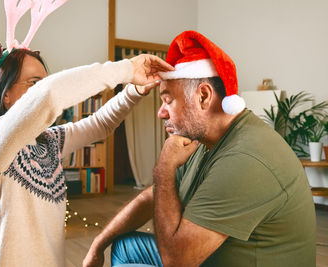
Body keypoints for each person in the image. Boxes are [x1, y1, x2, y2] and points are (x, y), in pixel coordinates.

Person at [83, 31, 316, 267]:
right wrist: (98, 244)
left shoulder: (246, 159)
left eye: (168, 100)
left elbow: (176, 261)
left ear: (203, 96)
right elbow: (152, 197)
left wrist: (164, 169)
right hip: (208, 257)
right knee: (124, 247)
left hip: (192, 259)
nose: (161, 113)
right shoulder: (204, 140)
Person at [0, 42, 173, 266]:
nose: (40, 89)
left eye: (44, 81)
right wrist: (127, 69)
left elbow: (100, 124)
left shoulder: (48, 142)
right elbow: (49, 95)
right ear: (5, 94)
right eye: (34, 84)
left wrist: (135, 89)